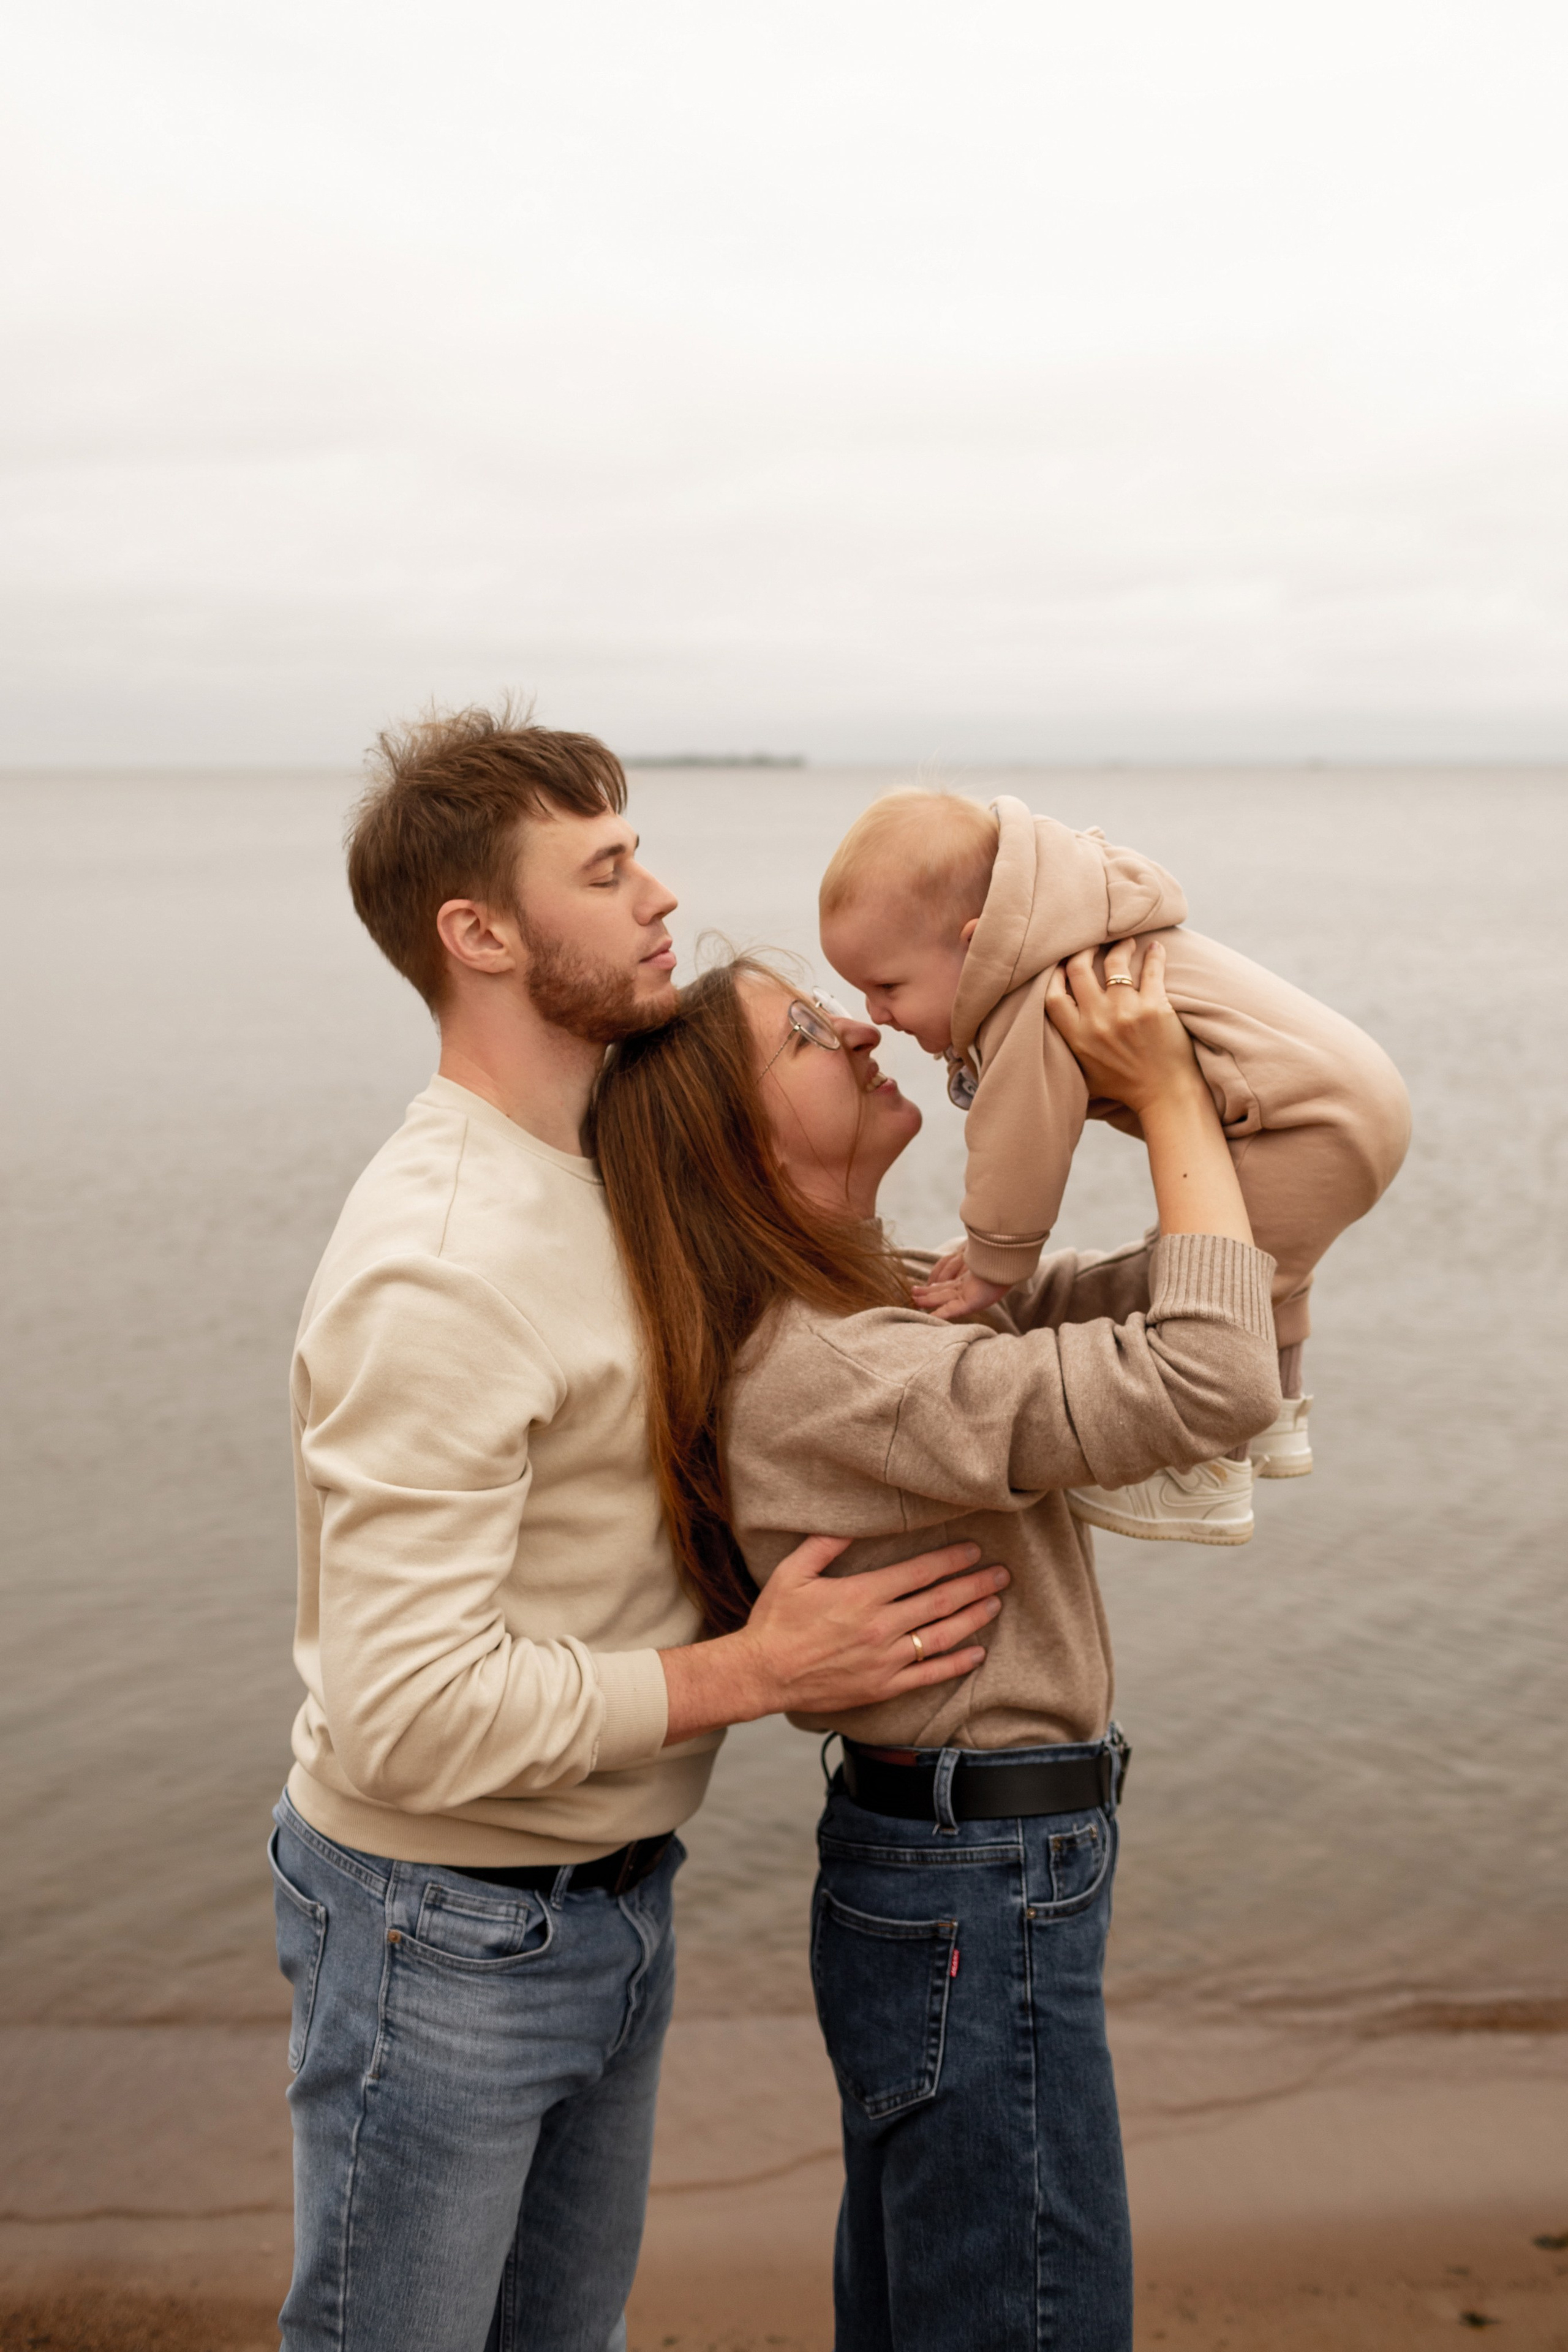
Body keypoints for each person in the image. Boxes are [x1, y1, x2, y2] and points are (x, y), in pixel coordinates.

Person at [271, 707, 1006, 2352]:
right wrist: (756, 1671)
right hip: (438, 1925)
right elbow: (401, 1709)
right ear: (479, 934)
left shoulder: (601, 1162)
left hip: (608, 1897)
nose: (660, 895)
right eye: (604, 872)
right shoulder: (439, 1260)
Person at [590, 938, 1283, 2352]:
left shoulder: (882, 1304)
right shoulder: (845, 1364)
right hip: (979, 1885)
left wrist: (1095, 1099)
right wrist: (1163, 1097)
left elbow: (1208, 1292)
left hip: (958, 1876)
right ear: (739, 1143)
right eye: (803, 1032)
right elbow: (1214, 1373)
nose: (857, 1029)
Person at [816, 790, 1411, 1543]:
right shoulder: (1078, 925)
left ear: (975, 944)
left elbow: (1020, 1142)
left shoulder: (1033, 993)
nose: (874, 1015)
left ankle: (1206, 1477)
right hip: (1347, 1100)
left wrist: (995, 1262)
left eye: (888, 987)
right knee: (1267, 1270)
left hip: (1304, 1124)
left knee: (1220, 1278)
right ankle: (1277, 1420)